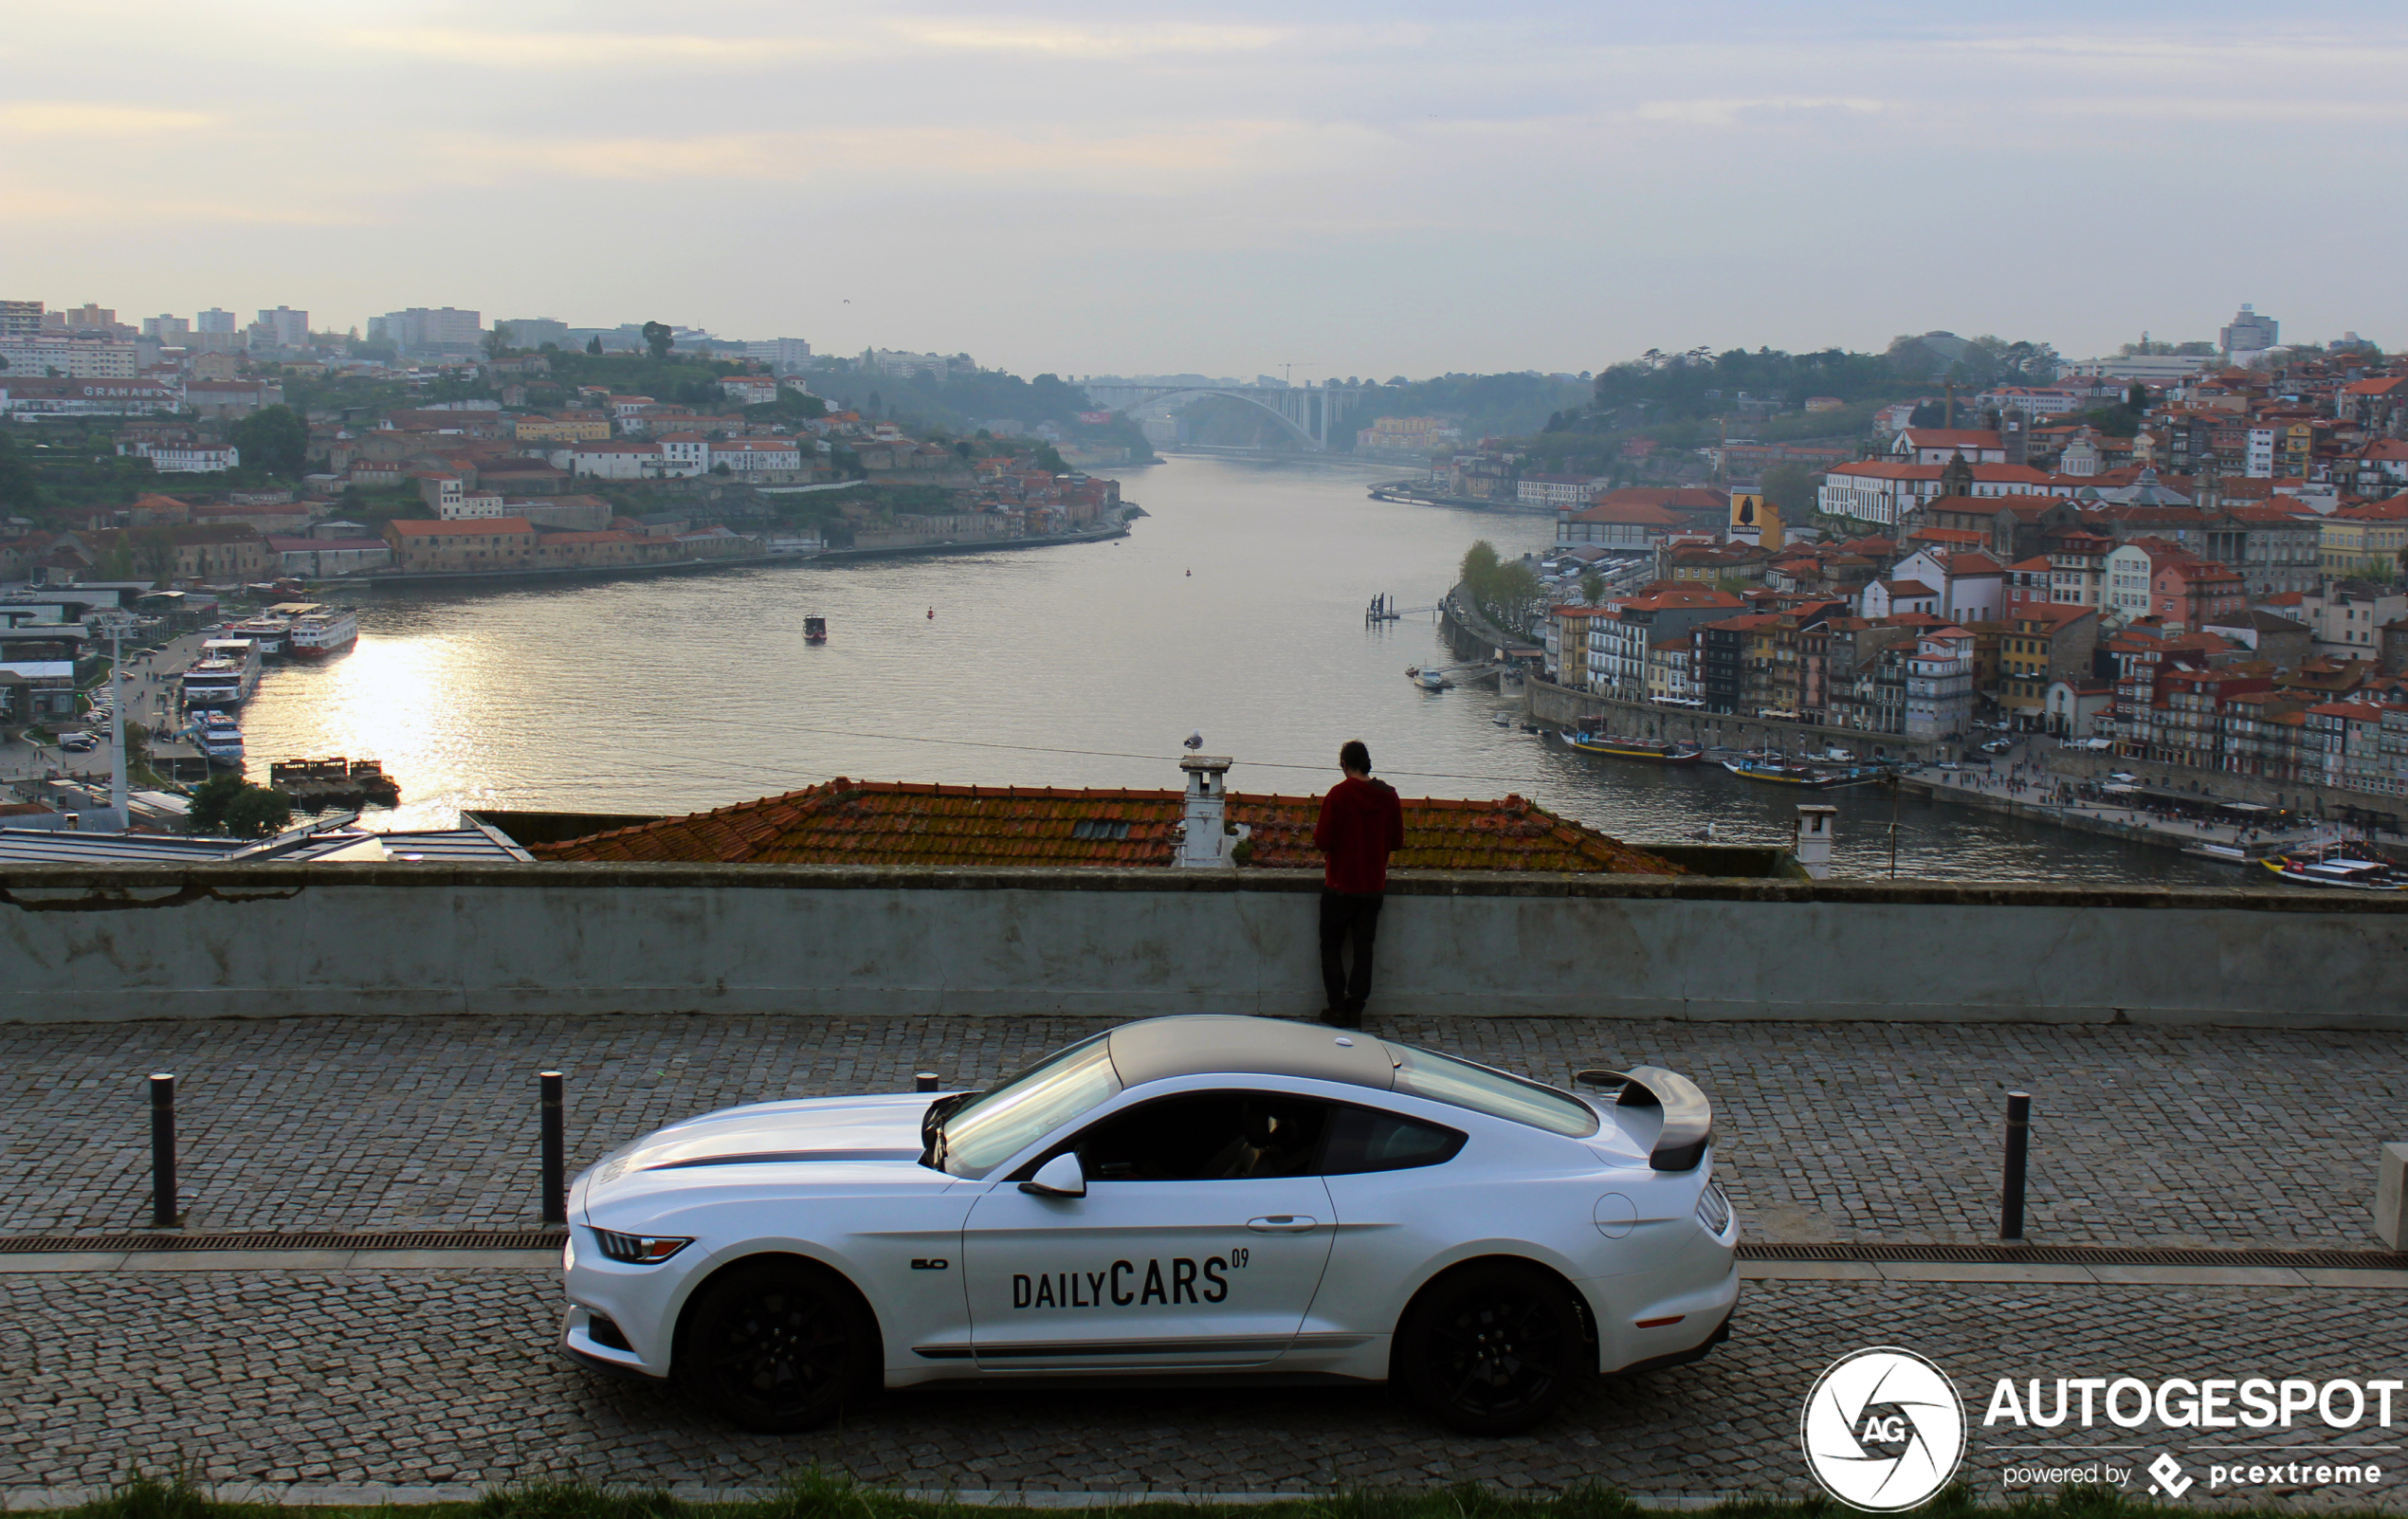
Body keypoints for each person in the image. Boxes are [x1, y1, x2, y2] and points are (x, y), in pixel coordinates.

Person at [1311, 740, 1403, 1029]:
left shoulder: (1338, 795)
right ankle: (1356, 1008)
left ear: (1344, 765)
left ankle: (1336, 1007)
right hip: (1372, 886)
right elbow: (1397, 841)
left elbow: (1322, 841)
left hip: (1339, 885)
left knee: (1331, 947)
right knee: (1364, 950)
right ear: (1367, 763)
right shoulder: (1389, 797)